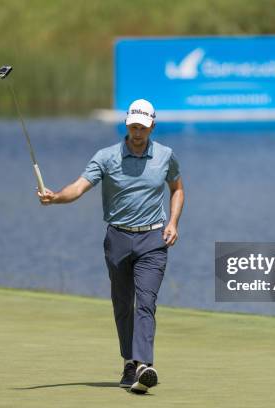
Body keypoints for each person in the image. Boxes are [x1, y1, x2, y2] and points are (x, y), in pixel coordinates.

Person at [37, 99, 184, 394]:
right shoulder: (106, 157)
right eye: (133, 125)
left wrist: (173, 222)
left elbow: (177, 189)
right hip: (117, 238)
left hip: (153, 240)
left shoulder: (166, 156)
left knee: (146, 301)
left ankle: (143, 365)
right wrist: (56, 197)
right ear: (127, 124)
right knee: (122, 303)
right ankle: (129, 362)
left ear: (152, 125)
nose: (138, 130)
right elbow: (78, 187)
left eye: (143, 125)